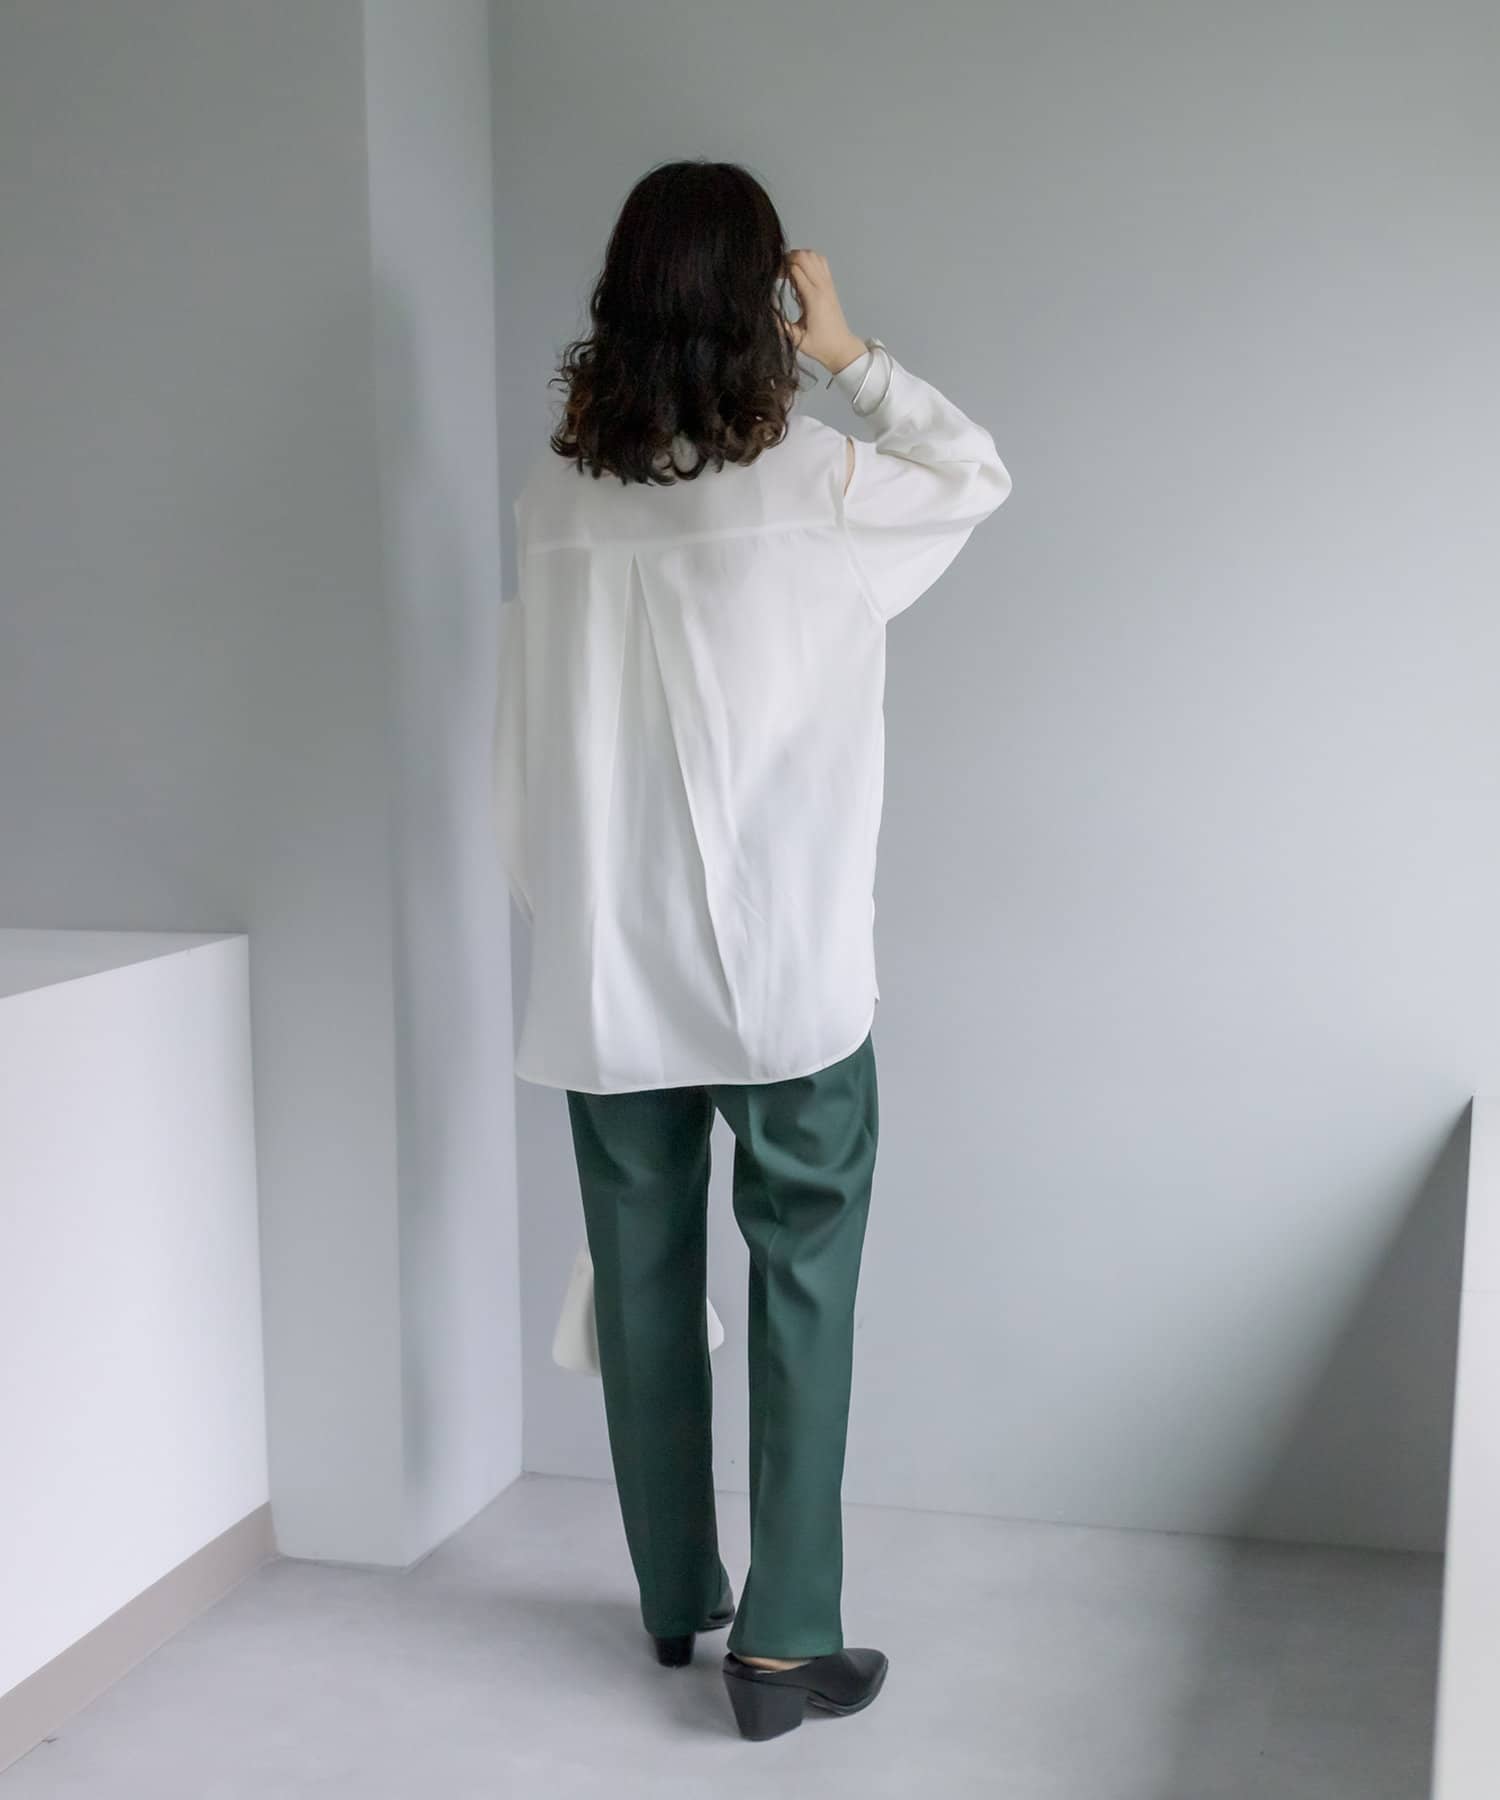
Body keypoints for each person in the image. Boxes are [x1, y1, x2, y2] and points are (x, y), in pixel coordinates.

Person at [491, 158, 1010, 1742]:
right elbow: (972, 470)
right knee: (804, 1284)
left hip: (607, 973)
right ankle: (783, 1647)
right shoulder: (820, 488)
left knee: (640, 1280)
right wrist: (848, 351)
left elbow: (521, 743)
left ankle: (673, 1597)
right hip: (785, 978)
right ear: (761, 298)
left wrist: (556, 917)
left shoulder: (555, 502)